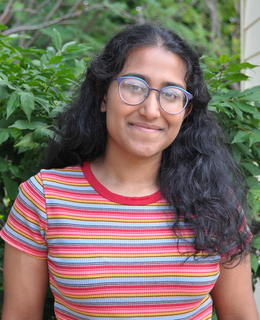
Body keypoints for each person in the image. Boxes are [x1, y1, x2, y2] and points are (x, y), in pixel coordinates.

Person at [1, 24, 258, 320]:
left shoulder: (216, 202)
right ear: (103, 95)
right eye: (135, 86)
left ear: (186, 111)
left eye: (171, 94)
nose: (151, 110)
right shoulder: (44, 198)